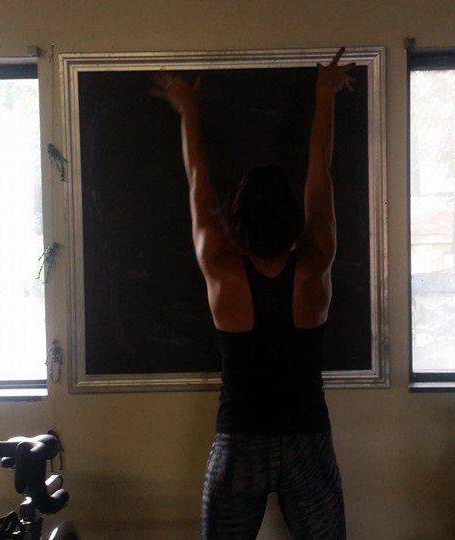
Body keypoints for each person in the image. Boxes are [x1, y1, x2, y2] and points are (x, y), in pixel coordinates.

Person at [150, 47, 355, 539]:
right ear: (293, 220)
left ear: (234, 222)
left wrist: (189, 111)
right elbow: (318, 175)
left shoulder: (220, 271)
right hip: (307, 442)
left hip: (239, 442)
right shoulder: (314, 265)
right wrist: (324, 95)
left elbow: (198, 182)